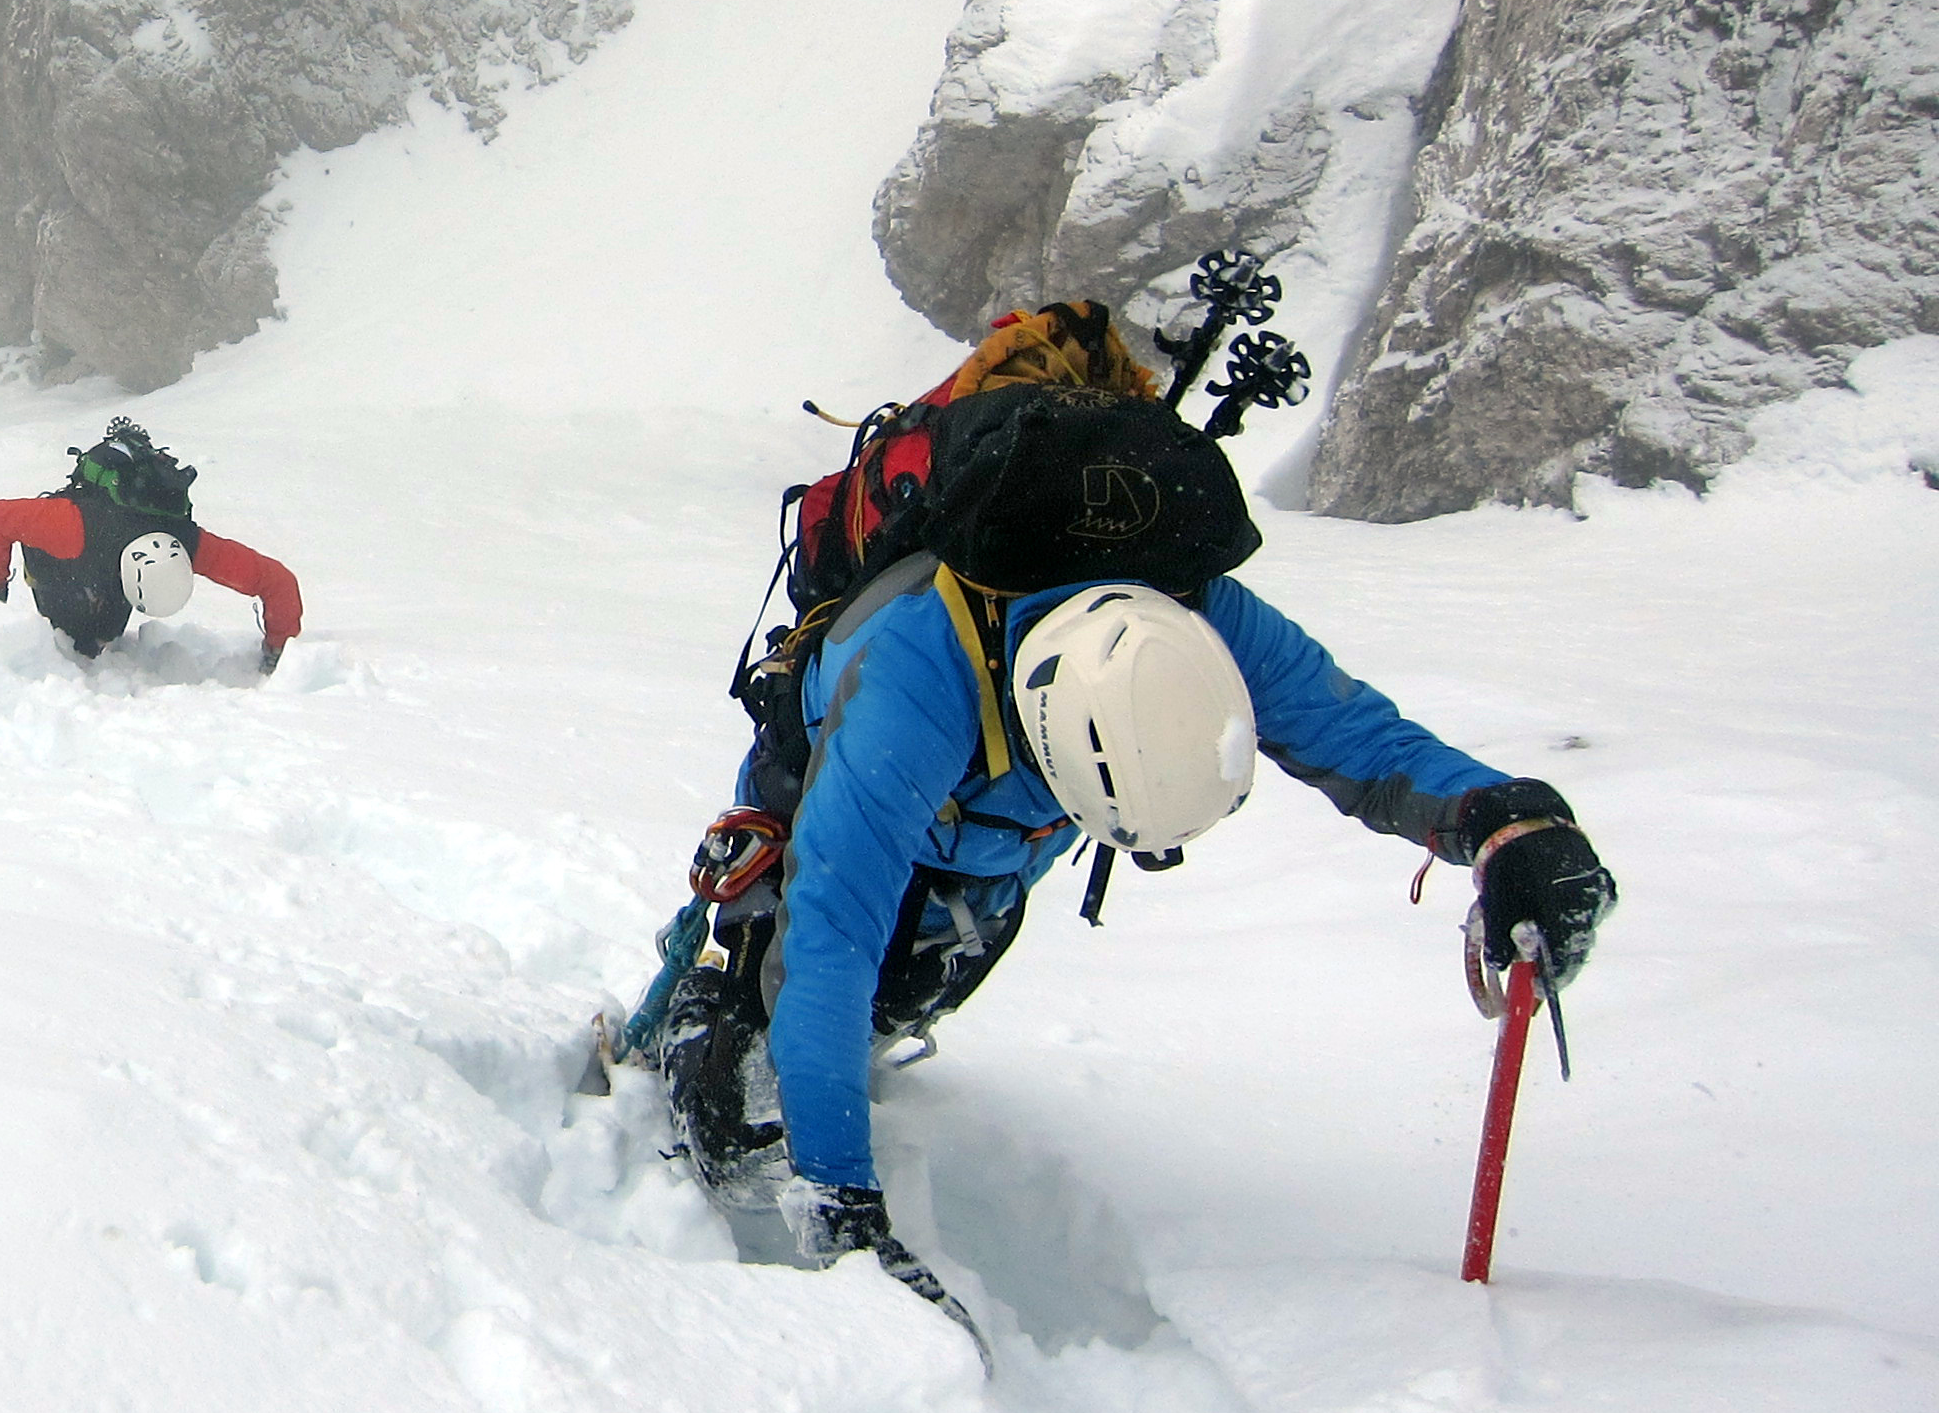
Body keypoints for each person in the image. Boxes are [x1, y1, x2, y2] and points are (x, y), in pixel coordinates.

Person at [621, 409, 1617, 1340]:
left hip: (995, 850)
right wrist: (839, 1195)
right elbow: (829, 936)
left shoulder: (1197, 616)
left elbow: (1353, 735)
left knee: (911, 986)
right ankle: (715, 1014)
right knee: (788, 991)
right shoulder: (913, 689)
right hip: (836, 795)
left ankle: (838, 1058)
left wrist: (1505, 824)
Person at [0, 417, 303, 673]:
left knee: (95, 631)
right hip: (65, 567)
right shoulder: (73, 525)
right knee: (78, 626)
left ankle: (95, 632)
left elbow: (277, 582)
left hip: (98, 576)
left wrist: (279, 649)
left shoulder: (184, 541)